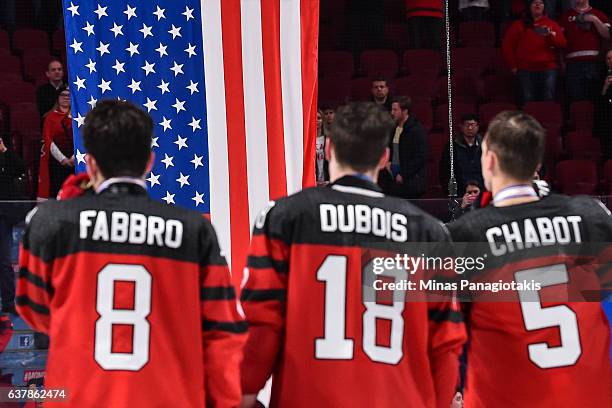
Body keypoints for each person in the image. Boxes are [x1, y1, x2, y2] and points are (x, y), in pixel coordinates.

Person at [16, 100, 246, 407]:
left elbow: (34, 310)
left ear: (91, 163)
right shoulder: (195, 230)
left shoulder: (50, 221)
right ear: (149, 162)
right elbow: (222, 333)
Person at [240, 102, 466, 408]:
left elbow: (262, 325)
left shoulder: (284, 217)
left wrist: (244, 393)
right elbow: (445, 346)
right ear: (385, 158)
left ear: (329, 148)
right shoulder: (430, 232)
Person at [447, 111, 612, 407]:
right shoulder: (592, 216)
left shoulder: (467, 236)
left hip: (508, 396)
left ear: (490, 161)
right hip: (588, 396)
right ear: (537, 165)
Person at [502, 0, 567, 104]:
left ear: (544, 7)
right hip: (525, 70)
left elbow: (562, 44)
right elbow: (507, 46)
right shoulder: (518, 25)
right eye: (534, 2)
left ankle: (547, 121)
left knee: (548, 100)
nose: (538, 5)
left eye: (540, 3)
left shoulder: (552, 24)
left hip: (548, 69)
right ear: (529, 6)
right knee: (527, 101)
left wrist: (551, 35)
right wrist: (513, 65)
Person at [559, 0, 610, 102]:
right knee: (575, 99)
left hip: (594, 63)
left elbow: (607, 35)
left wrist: (594, 19)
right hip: (572, 64)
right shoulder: (565, 16)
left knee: (593, 99)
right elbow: (560, 42)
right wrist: (561, 62)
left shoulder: (598, 14)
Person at [0, 135, 25, 315]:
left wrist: (5, 151)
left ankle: (9, 302)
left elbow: (21, 168)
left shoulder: (5, 159)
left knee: (4, 262)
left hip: (2, 217)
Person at [385, 96, 427, 198]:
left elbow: (420, 157)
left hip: (411, 182)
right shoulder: (394, 128)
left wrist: (404, 174)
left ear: (404, 111)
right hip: (394, 178)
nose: (392, 113)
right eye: (392, 109)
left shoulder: (416, 130)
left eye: (395, 110)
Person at [37, 85, 74, 200]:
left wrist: (74, 158)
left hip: (77, 162)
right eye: (63, 95)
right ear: (57, 98)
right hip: (57, 164)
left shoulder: (79, 117)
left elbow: (82, 138)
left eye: (68, 95)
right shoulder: (50, 117)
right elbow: (48, 140)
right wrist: (63, 159)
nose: (66, 97)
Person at [439, 114, 484, 197]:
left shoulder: (484, 145)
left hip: (481, 190)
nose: (470, 128)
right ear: (461, 127)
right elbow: (445, 171)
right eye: (467, 125)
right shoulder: (452, 146)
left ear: (478, 127)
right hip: (459, 192)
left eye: (473, 125)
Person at [594, 48, 612, 159]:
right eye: (608, 59)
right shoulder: (600, 76)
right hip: (607, 118)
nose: (610, 61)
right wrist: (605, 86)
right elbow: (598, 99)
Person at [315, 109, 329, 185]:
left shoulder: (328, 139)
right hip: (313, 180)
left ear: (323, 120)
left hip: (326, 179)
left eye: (319, 118)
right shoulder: (307, 141)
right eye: (314, 118)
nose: (316, 120)